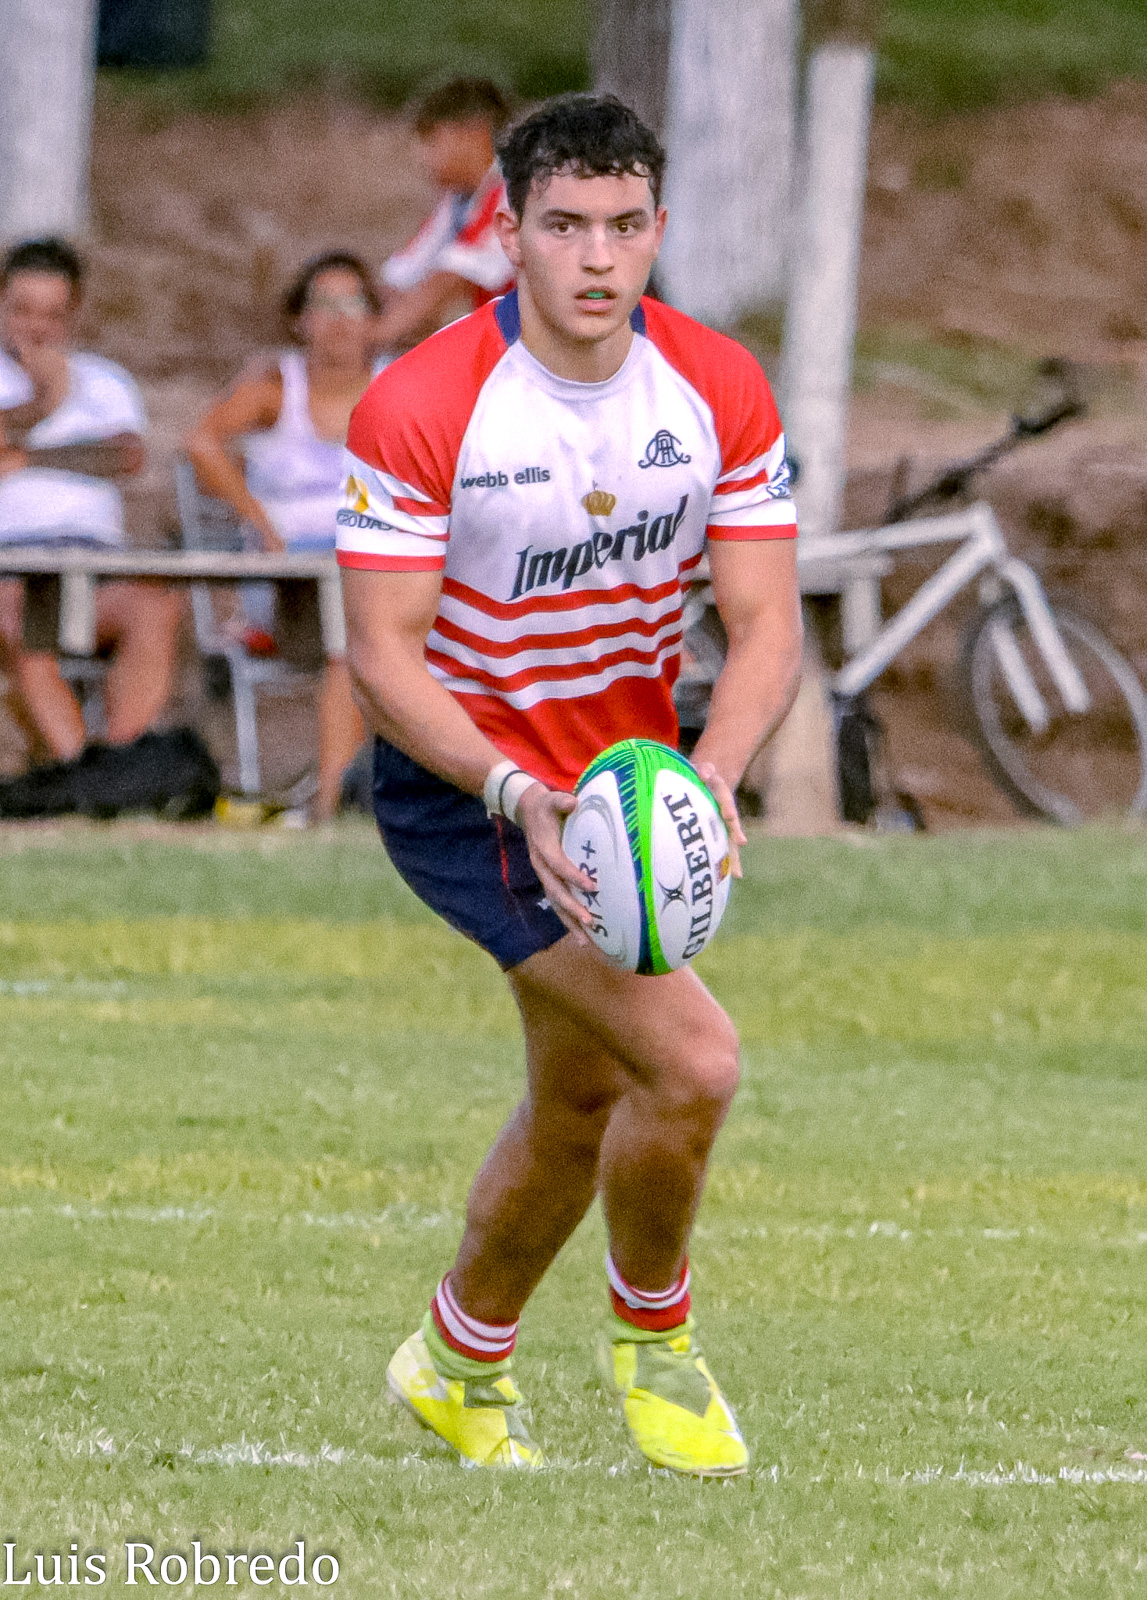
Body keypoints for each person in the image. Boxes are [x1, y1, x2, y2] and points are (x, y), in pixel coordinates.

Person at [340, 94, 802, 1475]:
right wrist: (514, 795)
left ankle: (454, 1359)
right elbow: (377, 653)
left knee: (582, 1104)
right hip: (469, 789)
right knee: (695, 1062)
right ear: (507, 233)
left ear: (656, 230)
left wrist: (714, 776)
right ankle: (653, 1345)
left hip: (630, 780)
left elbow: (766, 622)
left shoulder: (715, 386)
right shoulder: (421, 402)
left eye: (622, 227)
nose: (595, 259)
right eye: (562, 227)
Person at [186, 253, 379, 821]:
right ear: (300, 319)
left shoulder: (397, 384)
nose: (341, 320)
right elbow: (202, 443)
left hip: (371, 569)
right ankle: (327, 806)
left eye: (354, 304)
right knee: (358, 636)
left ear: (373, 318)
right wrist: (260, 523)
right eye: (325, 304)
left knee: (368, 622)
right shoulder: (278, 387)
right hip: (291, 582)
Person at [0, 237, 180, 762]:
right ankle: (79, 772)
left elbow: (123, 457)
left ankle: (120, 765)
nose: (37, 327)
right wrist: (43, 402)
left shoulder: (104, 380)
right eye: (24, 310)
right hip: (12, 565)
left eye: (53, 315)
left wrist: (25, 456)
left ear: (73, 316)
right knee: (19, 624)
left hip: (95, 563)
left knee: (155, 609)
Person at [373, 78, 515, 351]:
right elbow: (403, 275)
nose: (422, 156)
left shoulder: (512, 192)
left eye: (432, 140)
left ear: (474, 133)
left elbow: (452, 277)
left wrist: (375, 335)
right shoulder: (457, 203)